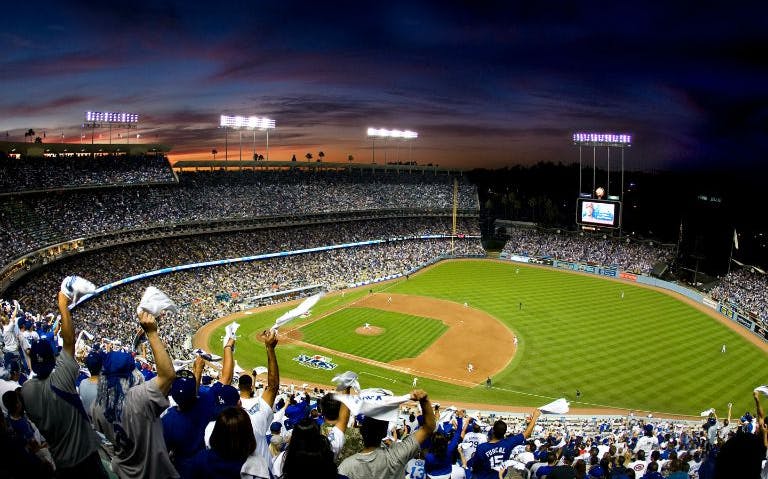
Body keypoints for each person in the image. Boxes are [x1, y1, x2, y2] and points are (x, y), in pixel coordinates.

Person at [21, 291, 109, 478]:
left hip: (61, 462)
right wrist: (63, 305)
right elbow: (69, 340)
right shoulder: (61, 378)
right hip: (86, 456)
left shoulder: (26, 391)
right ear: (53, 358)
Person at [91, 309, 178, 479]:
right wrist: (152, 333)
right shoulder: (139, 397)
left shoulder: (95, 406)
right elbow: (168, 375)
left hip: (125, 471)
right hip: (154, 472)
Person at [338, 389, 436, 479]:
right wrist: (424, 401)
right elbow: (429, 427)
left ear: (361, 430)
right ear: (384, 432)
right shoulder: (398, 454)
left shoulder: (346, 467)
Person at [469, 409, 541, 479]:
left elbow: (474, 466)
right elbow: (527, 433)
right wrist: (534, 417)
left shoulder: (482, 448)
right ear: (504, 432)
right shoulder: (508, 443)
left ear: (493, 431)